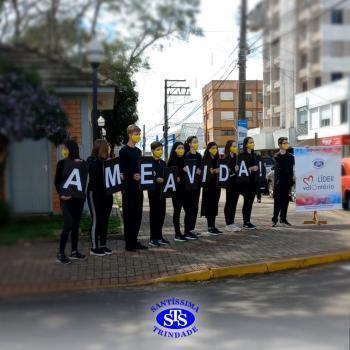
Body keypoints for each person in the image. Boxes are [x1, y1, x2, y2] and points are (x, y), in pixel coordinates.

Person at [54, 140, 86, 264]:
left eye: (65, 148)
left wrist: (82, 163)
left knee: (75, 226)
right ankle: (60, 253)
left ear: (72, 149)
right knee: (68, 224)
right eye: (63, 148)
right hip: (66, 200)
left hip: (78, 199)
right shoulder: (61, 164)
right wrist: (61, 195)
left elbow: (85, 176)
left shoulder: (81, 163)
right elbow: (57, 182)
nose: (64, 151)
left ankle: (74, 251)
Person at [119, 124, 148, 252]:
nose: (138, 136)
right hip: (128, 189)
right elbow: (121, 170)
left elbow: (141, 167)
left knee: (137, 215)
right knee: (129, 216)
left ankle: (135, 240)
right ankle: (128, 243)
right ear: (130, 134)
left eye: (139, 134)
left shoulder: (138, 151)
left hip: (138, 188)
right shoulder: (123, 151)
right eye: (136, 134)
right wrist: (131, 175)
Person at [87, 139, 114, 256]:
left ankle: (103, 245)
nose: (107, 150)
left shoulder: (107, 161)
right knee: (96, 219)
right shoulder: (92, 160)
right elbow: (93, 171)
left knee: (105, 220)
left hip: (107, 194)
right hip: (95, 194)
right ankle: (94, 247)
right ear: (100, 149)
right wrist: (104, 162)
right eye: (106, 148)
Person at [147, 141, 170, 247]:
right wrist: (156, 179)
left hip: (162, 193)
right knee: (154, 215)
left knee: (161, 215)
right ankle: (153, 238)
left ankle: (159, 236)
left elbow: (167, 176)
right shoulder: (149, 163)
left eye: (161, 149)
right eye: (158, 150)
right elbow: (147, 177)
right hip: (153, 192)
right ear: (152, 151)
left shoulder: (163, 163)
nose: (160, 151)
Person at [167, 142, 188, 242]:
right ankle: (177, 233)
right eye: (179, 148)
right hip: (176, 192)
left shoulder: (186, 160)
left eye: (183, 148)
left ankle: (187, 231)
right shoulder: (172, 161)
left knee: (188, 211)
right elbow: (170, 176)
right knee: (177, 212)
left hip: (186, 191)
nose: (181, 150)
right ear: (174, 150)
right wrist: (180, 172)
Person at [272, 137, 295, 227]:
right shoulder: (276, 156)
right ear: (280, 145)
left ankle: (283, 219)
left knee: (286, 201)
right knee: (277, 202)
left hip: (288, 182)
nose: (286, 144)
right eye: (284, 143)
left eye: (287, 142)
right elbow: (281, 168)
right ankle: (274, 220)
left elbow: (292, 168)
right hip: (279, 183)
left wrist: (292, 177)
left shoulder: (291, 156)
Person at [201, 142, 222, 235]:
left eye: (216, 148)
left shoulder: (218, 159)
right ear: (208, 149)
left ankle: (213, 226)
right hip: (208, 187)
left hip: (216, 186)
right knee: (209, 206)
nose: (215, 150)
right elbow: (204, 173)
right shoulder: (205, 159)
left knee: (214, 205)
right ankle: (210, 227)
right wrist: (212, 171)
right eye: (213, 148)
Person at [183, 136, 202, 240]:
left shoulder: (199, 155)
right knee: (189, 208)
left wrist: (200, 170)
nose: (196, 143)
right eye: (194, 142)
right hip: (189, 187)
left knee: (195, 207)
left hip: (197, 185)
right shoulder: (187, 155)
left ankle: (192, 229)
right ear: (189, 144)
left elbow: (201, 167)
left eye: (197, 142)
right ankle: (187, 231)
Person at [238, 137, 259, 229]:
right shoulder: (241, 156)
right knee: (246, 202)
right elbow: (240, 169)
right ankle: (245, 222)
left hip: (253, 182)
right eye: (251, 142)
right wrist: (250, 169)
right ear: (246, 144)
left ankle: (248, 221)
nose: (253, 144)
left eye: (253, 142)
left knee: (250, 202)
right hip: (245, 182)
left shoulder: (255, 155)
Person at [223, 140, 241, 232]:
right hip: (230, 184)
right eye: (233, 146)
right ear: (229, 147)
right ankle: (228, 223)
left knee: (234, 203)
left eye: (236, 146)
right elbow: (226, 173)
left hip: (236, 183)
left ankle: (232, 222)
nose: (235, 148)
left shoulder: (236, 157)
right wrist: (234, 171)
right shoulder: (226, 159)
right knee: (229, 203)